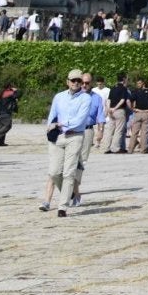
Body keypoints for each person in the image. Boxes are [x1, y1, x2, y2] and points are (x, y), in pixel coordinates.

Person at [40, 70, 101, 217]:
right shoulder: (59, 97)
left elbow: (79, 120)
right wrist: (50, 126)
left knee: (69, 172)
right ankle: (69, 194)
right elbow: (52, 115)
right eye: (73, 80)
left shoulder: (86, 99)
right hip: (58, 137)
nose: (76, 83)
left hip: (75, 136)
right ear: (67, 81)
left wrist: (61, 124)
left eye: (79, 81)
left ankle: (63, 207)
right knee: (54, 172)